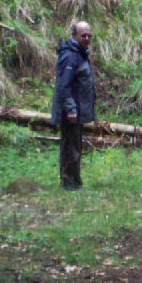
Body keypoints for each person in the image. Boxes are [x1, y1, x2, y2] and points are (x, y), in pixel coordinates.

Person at [51, 21, 96, 190]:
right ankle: (69, 183)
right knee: (70, 147)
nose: (86, 38)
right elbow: (64, 85)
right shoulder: (70, 56)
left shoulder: (80, 54)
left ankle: (75, 181)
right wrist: (70, 109)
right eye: (83, 35)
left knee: (76, 146)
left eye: (89, 35)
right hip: (70, 111)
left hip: (77, 110)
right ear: (75, 35)